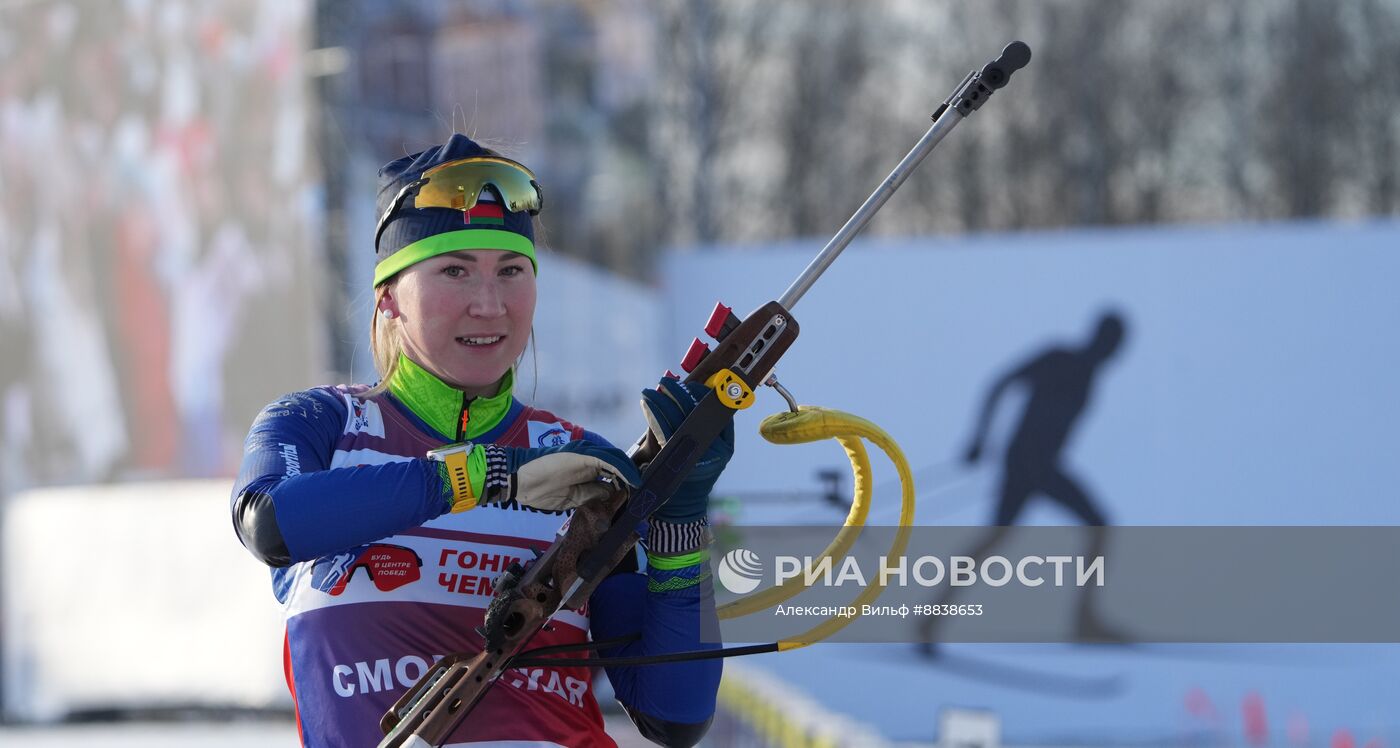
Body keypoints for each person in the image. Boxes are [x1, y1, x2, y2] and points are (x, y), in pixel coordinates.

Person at [231, 134, 731, 747]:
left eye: (511, 271)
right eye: (455, 271)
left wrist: (681, 525)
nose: (490, 305)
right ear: (389, 297)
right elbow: (270, 524)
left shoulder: (577, 462)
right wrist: (485, 475)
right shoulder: (322, 424)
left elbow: (675, 716)